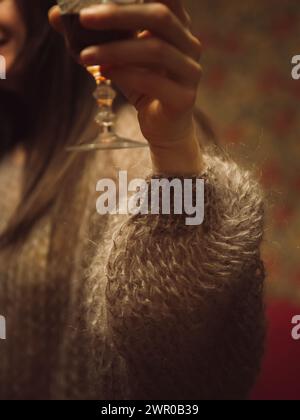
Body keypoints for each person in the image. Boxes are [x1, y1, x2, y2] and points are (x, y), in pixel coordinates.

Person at [0, 0, 266, 400]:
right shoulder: (12, 148)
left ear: (45, 36)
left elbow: (194, 372)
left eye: (1, 38)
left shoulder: (133, 151)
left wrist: (175, 150)